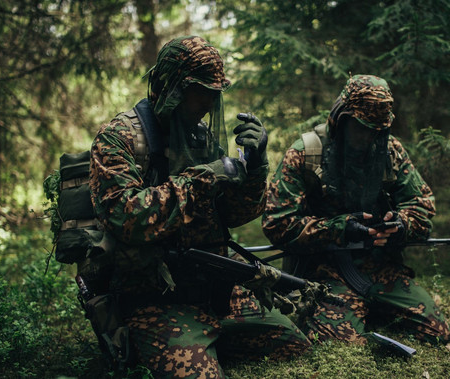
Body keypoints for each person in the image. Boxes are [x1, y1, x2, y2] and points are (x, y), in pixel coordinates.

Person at [88, 35, 310, 377]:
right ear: (170, 87)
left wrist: (256, 165)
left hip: (213, 283)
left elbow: (235, 215)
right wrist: (204, 178)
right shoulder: (120, 137)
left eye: (213, 93)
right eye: (200, 91)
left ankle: (203, 338)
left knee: (292, 344)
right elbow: (127, 217)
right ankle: (171, 343)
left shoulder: (199, 136)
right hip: (154, 295)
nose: (207, 102)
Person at [262, 75, 450, 346]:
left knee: (439, 333)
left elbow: (421, 206)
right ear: (341, 118)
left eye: (376, 129)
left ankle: (371, 308)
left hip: (381, 268)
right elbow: (277, 223)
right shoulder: (307, 153)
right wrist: (338, 229)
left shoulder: (390, 151)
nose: (367, 137)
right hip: (326, 270)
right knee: (342, 344)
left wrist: (400, 225)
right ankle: (351, 312)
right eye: (361, 127)